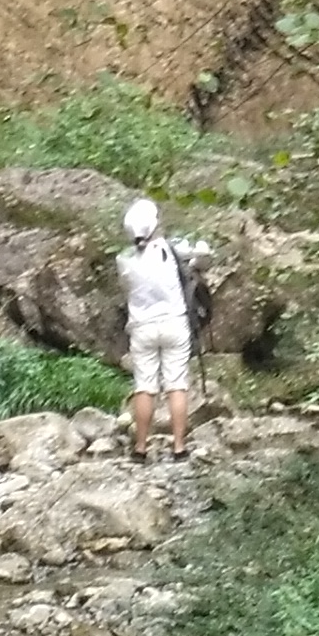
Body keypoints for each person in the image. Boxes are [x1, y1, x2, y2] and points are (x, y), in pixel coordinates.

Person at [115, 197, 210, 461]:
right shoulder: (172, 249)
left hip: (141, 327)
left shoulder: (123, 260)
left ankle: (140, 448)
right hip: (174, 323)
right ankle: (179, 448)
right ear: (155, 223)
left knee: (144, 387)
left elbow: (128, 288)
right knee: (176, 385)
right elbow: (203, 257)